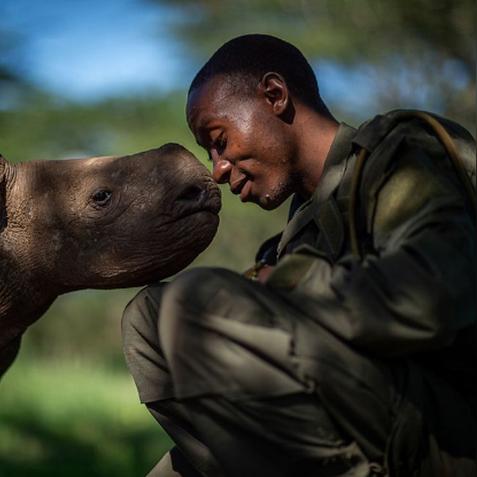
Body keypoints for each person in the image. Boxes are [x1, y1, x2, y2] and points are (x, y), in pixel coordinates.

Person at [121, 34, 476, 477]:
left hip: (438, 437)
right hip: (345, 426)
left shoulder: (399, 152)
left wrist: (292, 285)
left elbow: (435, 295)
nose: (217, 169)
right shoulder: (291, 236)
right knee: (146, 317)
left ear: (274, 95)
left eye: (219, 141)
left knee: (195, 301)